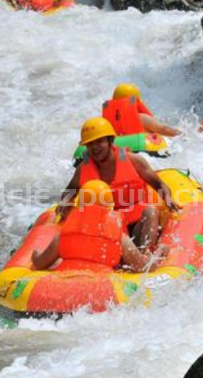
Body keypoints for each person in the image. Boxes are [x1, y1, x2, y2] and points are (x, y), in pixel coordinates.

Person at [56, 118, 180, 249]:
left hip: (137, 224)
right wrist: (65, 202)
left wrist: (167, 197)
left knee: (151, 211)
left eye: (99, 142)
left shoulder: (134, 160)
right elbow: (70, 191)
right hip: (107, 228)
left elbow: (160, 185)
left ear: (110, 141)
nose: (95, 147)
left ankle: (145, 257)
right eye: (90, 144)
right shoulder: (83, 169)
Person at [32, 180, 169, 272]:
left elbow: (39, 263)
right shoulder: (119, 239)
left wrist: (34, 253)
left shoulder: (62, 237)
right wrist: (160, 251)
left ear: (79, 207)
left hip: (63, 287)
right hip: (102, 290)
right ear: (109, 210)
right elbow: (144, 267)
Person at [103, 83, 182, 137]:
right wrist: (180, 134)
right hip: (146, 151)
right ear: (136, 102)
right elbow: (163, 129)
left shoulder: (107, 122)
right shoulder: (141, 118)